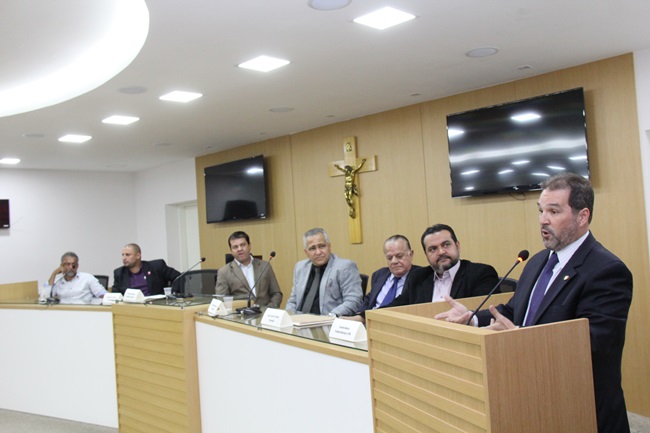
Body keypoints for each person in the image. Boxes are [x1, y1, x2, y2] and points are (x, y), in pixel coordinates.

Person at [435, 173, 633, 433]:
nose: (543, 220)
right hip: (532, 397)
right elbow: (513, 311)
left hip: (581, 408)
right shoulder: (537, 262)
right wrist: (471, 318)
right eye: (541, 210)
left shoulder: (606, 270)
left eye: (553, 211)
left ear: (582, 216)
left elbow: (593, 344)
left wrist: (520, 337)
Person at [388, 224, 499, 308]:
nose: (441, 252)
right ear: (426, 255)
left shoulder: (481, 274)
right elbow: (395, 308)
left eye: (446, 245)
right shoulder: (418, 277)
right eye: (433, 249)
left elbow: (485, 313)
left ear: (457, 246)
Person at [285, 228, 363, 317]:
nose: (318, 252)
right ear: (306, 252)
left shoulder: (345, 267)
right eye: (312, 248)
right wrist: (288, 316)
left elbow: (353, 301)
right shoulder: (300, 267)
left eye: (322, 246)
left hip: (328, 320)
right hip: (299, 320)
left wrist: (331, 316)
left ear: (329, 246)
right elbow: (293, 301)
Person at [215, 231, 283, 308]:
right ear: (231, 251)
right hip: (241, 314)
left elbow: (276, 293)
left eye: (242, 245)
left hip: (266, 312)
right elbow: (222, 300)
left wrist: (269, 310)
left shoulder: (265, 266)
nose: (239, 249)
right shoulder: (224, 272)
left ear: (249, 246)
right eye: (235, 247)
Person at [355, 234, 419, 315]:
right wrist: (359, 315)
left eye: (399, 256)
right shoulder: (379, 274)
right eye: (389, 258)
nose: (394, 261)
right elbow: (369, 299)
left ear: (411, 255)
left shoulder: (420, 277)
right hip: (369, 319)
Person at [113, 243, 181, 296]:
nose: (124, 258)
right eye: (123, 255)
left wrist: (173, 293)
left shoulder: (156, 266)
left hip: (155, 306)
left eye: (128, 255)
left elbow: (180, 277)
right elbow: (115, 295)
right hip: (132, 307)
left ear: (138, 255)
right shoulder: (119, 273)